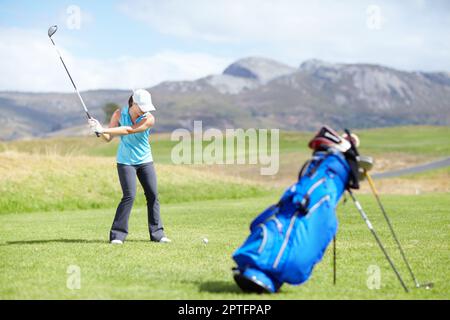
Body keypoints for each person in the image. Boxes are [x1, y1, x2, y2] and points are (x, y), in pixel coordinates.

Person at [88, 89, 170, 244]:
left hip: (145, 161)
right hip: (125, 162)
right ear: (134, 103)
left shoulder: (149, 118)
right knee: (129, 196)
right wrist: (97, 128)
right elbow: (108, 138)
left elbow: (129, 130)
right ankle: (117, 236)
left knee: (153, 195)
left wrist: (103, 129)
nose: (145, 110)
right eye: (142, 107)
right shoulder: (119, 114)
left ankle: (157, 234)